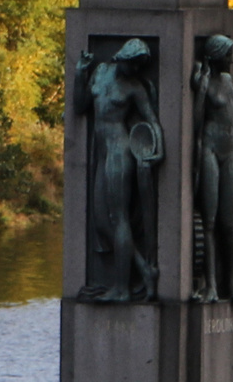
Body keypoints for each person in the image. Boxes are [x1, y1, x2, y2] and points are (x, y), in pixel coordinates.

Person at [74, 39, 162, 302]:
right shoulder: (100, 73)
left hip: (119, 151)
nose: (136, 70)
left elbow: (152, 121)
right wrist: (80, 74)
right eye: (133, 64)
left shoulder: (134, 88)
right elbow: (80, 106)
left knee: (118, 218)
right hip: (101, 153)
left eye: (140, 66)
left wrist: (156, 151)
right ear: (123, 58)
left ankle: (122, 289)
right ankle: (144, 271)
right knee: (103, 220)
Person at [190, 35, 233, 303]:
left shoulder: (228, 81)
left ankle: (231, 285)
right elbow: (197, 122)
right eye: (228, 55)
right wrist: (199, 90)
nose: (232, 60)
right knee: (209, 221)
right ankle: (210, 285)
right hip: (210, 151)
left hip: (230, 154)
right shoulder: (206, 84)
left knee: (229, 224)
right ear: (215, 56)